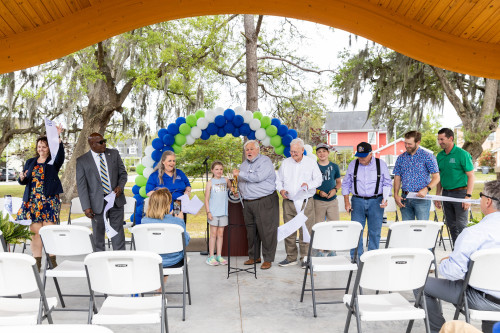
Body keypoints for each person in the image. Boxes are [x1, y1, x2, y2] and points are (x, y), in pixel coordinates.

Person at [419, 180, 500, 333]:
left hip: (480, 298)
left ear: (488, 201)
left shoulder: (473, 233)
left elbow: (454, 272)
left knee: (420, 284)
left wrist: (446, 262)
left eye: (481, 195)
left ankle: (439, 330)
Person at [17, 125, 64, 272]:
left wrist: (57, 138)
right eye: (39, 147)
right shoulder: (30, 162)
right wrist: (22, 178)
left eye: (44, 147)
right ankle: (37, 263)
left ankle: (52, 262)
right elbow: (25, 181)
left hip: (49, 201)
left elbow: (61, 155)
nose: (41, 149)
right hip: (33, 201)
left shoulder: (53, 161)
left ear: (49, 148)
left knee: (49, 231)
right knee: (35, 233)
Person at [76, 133, 128, 251]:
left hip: (116, 200)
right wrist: (86, 207)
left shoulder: (113, 154)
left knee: (118, 233)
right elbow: (81, 185)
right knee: (98, 236)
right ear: (92, 144)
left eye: (104, 141)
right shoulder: (82, 160)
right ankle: (99, 262)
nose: (104, 143)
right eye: (101, 142)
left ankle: (120, 262)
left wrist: (120, 187)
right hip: (96, 205)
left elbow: (123, 174)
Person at [233, 140, 279, 270]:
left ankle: (268, 259)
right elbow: (243, 181)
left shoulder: (265, 161)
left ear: (258, 150)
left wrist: (240, 174)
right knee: (251, 231)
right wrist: (240, 192)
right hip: (248, 203)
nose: (249, 152)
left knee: (267, 231)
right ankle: (254, 257)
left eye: (251, 149)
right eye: (247, 149)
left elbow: (258, 177)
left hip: (264, 201)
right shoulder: (243, 165)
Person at [276, 138, 322, 268]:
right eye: (291, 151)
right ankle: (291, 257)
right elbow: (278, 180)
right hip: (289, 202)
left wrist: (309, 184)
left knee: (305, 229)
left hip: (305, 201)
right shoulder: (285, 163)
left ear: (302, 150)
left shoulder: (311, 163)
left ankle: (305, 258)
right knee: (289, 229)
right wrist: (281, 189)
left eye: (296, 151)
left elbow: (319, 179)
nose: (293, 154)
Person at [342, 142, 392, 259]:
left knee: (375, 231)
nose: (361, 158)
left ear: (371, 154)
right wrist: (346, 202)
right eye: (359, 156)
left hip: (376, 201)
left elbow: (387, 183)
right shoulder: (353, 164)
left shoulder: (381, 164)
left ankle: (372, 257)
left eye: (364, 156)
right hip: (357, 201)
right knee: (356, 231)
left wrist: (385, 198)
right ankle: (355, 257)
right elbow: (346, 183)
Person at [435, 128, 475, 244]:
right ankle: (456, 250)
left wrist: (468, 196)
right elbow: (440, 177)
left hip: (460, 193)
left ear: (450, 138)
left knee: (462, 225)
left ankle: (465, 250)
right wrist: (438, 195)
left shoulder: (462, 154)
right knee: (451, 225)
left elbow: (471, 176)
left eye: (442, 139)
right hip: (446, 193)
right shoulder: (440, 156)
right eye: (439, 139)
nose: (440, 142)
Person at [142, 188, 190, 284]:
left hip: (151, 260)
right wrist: (180, 221)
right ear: (168, 204)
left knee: (160, 251)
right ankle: (159, 289)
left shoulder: (144, 221)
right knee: (167, 252)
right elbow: (185, 242)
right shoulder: (177, 221)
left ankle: (158, 289)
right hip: (174, 261)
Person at [393, 130, 440, 220]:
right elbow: (397, 177)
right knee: (407, 228)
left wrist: (426, 189)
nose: (407, 146)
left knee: (421, 228)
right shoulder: (401, 158)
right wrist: (396, 195)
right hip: (405, 198)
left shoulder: (428, 156)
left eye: (409, 144)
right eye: (405, 143)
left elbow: (436, 177)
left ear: (418, 142)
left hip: (421, 199)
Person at [314, 143, 342, 256]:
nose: (322, 154)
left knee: (333, 225)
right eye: (319, 152)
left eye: (324, 151)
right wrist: (319, 191)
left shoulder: (334, 167)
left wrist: (335, 189)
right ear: (316, 154)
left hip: (332, 201)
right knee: (318, 225)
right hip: (318, 200)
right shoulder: (314, 166)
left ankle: (331, 249)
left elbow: (339, 182)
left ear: (328, 153)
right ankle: (319, 249)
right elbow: (311, 184)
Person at [204, 160, 231, 266]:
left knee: (220, 235)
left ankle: (219, 256)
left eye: (220, 169)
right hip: (213, 212)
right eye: (216, 169)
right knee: (213, 235)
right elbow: (206, 199)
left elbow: (232, 188)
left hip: (223, 212)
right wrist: (208, 212)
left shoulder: (226, 180)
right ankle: (211, 256)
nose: (219, 171)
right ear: (212, 170)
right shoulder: (210, 182)